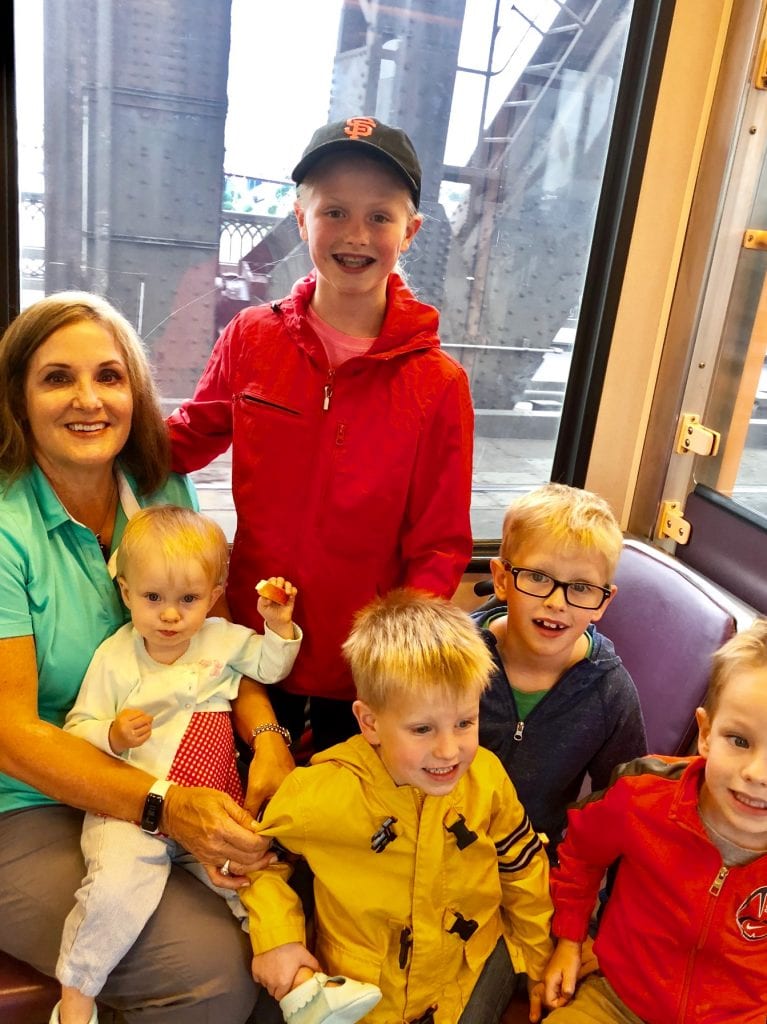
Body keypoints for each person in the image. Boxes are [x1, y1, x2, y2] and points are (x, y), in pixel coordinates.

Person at [0, 292, 291, 1024]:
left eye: (110, 376)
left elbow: (219, 647)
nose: (88, 400)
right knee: (210, 977)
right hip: (24, 805)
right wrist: (165, 807)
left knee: (283, 937)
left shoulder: (160, 490)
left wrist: (266, 740)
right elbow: (9, 733)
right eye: (56, 378)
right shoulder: (5, 526)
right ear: (18, 399)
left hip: (157, 776)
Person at [167, 116, 474, 751]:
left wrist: (395, 666)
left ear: (410, 231)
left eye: (380, 217)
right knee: (248, 815)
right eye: (334, 211)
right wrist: (81, 445)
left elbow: (438, 546)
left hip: (359, 665)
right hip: (252, 645)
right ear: (301, 218)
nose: (356, 235)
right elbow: (191, 435)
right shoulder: (252, 337)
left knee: (337, 832)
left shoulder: (439, 383)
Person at [244, 589, 554, 1024]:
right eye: (423, 728)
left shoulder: (487, 778)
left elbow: (522, 868)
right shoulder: (324, 790)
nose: (449, 750)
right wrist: (277, 935)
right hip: (362, 989)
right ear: (370, 722)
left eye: (465, 722)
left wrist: (540, 965)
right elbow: (256, 860)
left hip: (462, 975)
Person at [50, 505, 302, 1024]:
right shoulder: (116, 656)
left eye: (187, 600)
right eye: (152, 599)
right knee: (116, 887)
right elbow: (78, 729)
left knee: (261, 874)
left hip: (210, 810)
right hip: (130, 811)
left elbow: (269, 667)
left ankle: (297, 980)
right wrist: (112, 734)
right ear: (126, 593)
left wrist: (278, 626)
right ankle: (77, 994)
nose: (169, 615)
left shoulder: (220, 640)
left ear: (212, 596)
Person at [543, 619, 767, 1023]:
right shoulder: (641, 796)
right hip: (617, 1000)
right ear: (705, 733)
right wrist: (570, 938)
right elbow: (580, 853)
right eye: (739, 740)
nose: (758, 773)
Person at [474, 483, 647, 855]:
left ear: (604, 601)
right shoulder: (453, 657)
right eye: (538, 577)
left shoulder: (609, 692)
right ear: (503, 579)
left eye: (581, 587)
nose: (557, 603)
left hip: (535, 864)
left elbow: (623, 808)